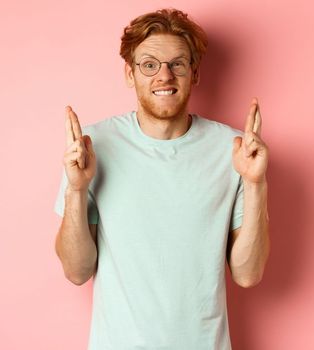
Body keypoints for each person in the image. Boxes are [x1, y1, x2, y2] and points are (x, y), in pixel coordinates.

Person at [53, 8, 270, 349]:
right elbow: (77, 271)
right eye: (150, 64)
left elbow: (248, 274)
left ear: (194, 74)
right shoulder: (93, 147)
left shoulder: (234, 150)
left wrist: (256, 184)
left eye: (177, 64)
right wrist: (76, 190)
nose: (164, 76)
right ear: (130, 74)